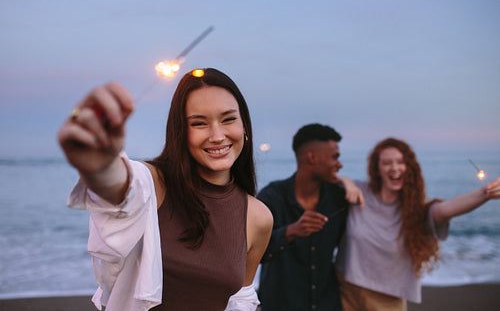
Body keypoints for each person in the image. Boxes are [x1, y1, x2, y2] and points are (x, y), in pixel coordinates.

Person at [57, 68, 273, 311]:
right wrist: (101, 164)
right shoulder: (153, 182)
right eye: (199, 123)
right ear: (181, 131)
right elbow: (120, 188)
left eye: (228, 119)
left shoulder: (258, 217)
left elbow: (241, 298)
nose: (217, 135)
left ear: (244, 125)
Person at [335, 137, 500, 311]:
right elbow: (327, 181)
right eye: (387, 163)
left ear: (409, 167)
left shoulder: (416, 211)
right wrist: (344, 181)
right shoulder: (358, 192)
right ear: (377, 168)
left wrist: (484, 194)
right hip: (345, 294)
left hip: (387, 301)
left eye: (400, 162)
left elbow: (447, 210)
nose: (395, 168)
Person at [257, 123, 361, 311]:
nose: (340, 164)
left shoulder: (339, 198)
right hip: (280, 304)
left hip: (327, 304)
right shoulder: (271, 197)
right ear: (311, 157)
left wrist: (347, 182)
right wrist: (290, 232)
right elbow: (252, 252)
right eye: (334, 157)